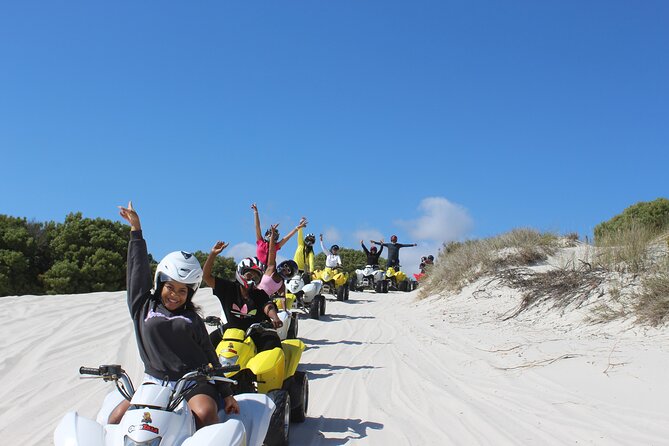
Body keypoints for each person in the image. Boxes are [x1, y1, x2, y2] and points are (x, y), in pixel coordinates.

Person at [114, 202, 239, 429]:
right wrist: (136, 231)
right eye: (170, 287)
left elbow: (210, 355)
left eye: (183, 291)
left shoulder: (193, 319)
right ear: (160, 283)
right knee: (115, 420)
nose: (175, 295)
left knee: (205, 414)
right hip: (154, 383)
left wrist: (227, 393)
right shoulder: (143, 305)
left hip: (192, 382)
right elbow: (137, 270)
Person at [203, 243, 283, 352]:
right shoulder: (228, 288)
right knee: (205, 344)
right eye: (249, 275)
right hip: (231, 330)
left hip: (255, 332)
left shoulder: (259, 293)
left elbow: (268, 306)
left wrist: (275, 318)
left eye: (256, 276)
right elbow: (206, 277)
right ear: (241, 272)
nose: (252, 278)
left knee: (274, 345)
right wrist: (212, 254)